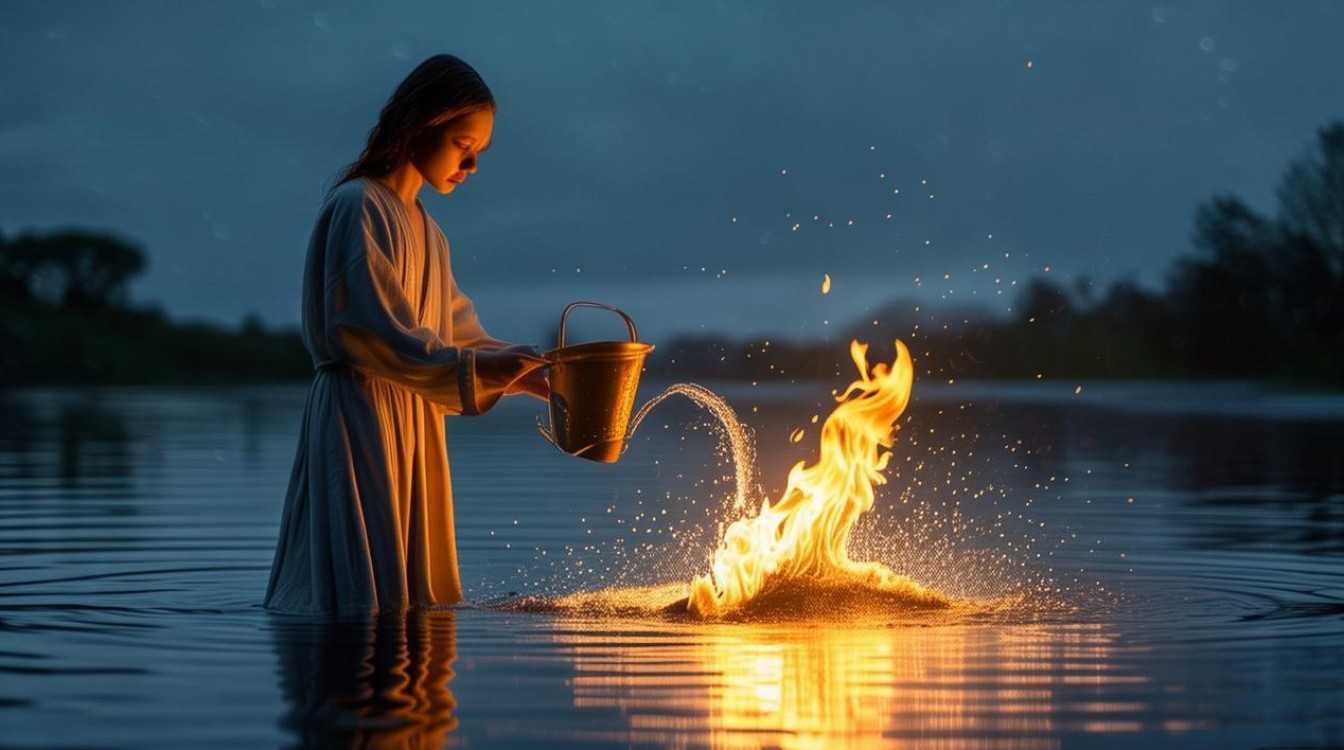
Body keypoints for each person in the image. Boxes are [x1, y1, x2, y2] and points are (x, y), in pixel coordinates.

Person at [263, 54, 549, 616]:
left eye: (478, 154)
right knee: (360, 589)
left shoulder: (428, 231)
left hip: (412, 415)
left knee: (404, 598)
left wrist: (525, 370)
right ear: (421, 124)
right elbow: (366, 328)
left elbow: (453, 331)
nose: (470, 166)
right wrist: (481, 369)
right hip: (362, 413)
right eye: (463, 145)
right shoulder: (357, 206)